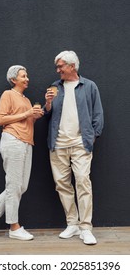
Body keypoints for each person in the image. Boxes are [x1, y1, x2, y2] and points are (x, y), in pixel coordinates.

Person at [0, 65, 43, 240]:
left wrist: (33, 116)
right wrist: (26, 113)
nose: (27, 78)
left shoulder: (27, 100)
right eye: (23, 76)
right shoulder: (8, 95)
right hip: (13, 141)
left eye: (27, 75)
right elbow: (1, 119)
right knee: (14, 186)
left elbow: (26, 121)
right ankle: (14, 227)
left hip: (27, 142)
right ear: (14, 80)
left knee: (21, 186)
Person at [44, 51, 104, 245]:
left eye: (61, 66)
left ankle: (86, 227)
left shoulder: (89, 86)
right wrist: (48, 102)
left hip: (80, 144)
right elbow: (47, 115)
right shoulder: (55, 87)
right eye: (57, 66)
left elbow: (98, 113)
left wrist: (94, 136)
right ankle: (72, 224)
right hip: (58, 144)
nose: (58, 69)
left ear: (72, 66)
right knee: (62, 184)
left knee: (82, 182)